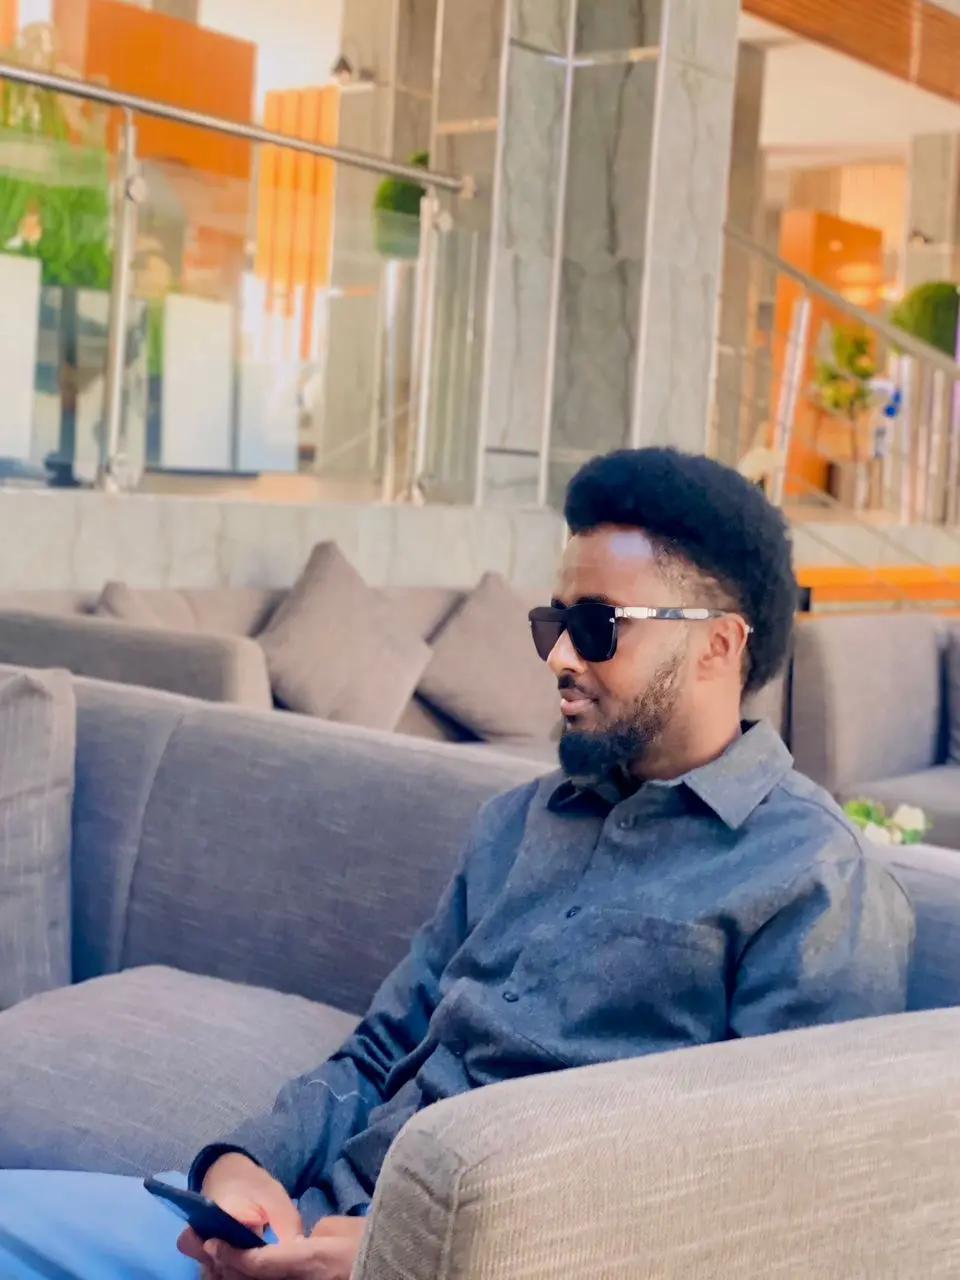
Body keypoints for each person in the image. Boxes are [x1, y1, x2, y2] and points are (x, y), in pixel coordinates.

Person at [0, 448, 914, 1280]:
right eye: (554, 621)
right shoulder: (519, 822)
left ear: (718, 644)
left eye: (598, 626)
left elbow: (766, 1208)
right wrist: (244, 1166)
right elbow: (382, 1047)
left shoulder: (813, 878)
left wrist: (411, 1259)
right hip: (302, 1233)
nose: (560, 656)